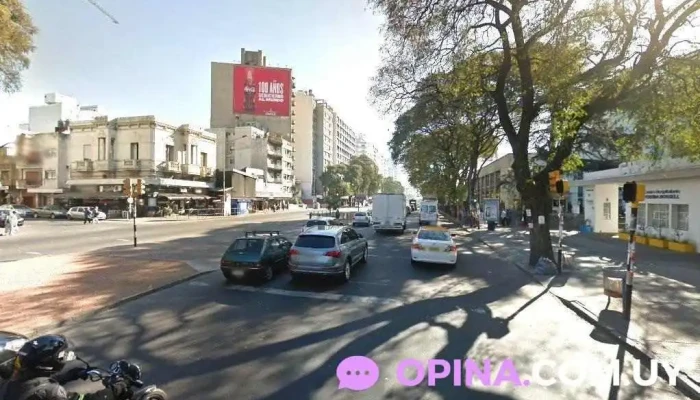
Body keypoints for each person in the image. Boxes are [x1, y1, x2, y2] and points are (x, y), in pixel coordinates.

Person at [0, 334, 132, 400]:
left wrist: (70, 375)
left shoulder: (9, 384)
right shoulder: (53, 393)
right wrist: (116, 389)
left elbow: (36, 384)